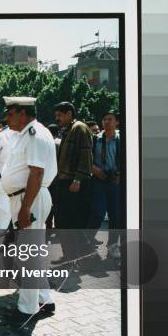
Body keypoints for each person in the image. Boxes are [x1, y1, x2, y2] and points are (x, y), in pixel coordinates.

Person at [1, 96, 58, 320]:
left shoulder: (34, 134)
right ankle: (45, 298)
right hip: (26, 197)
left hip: (29, 199)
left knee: (28, 256)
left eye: (10, 113)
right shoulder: (25, 134)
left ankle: (27, 309)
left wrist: (25, 209)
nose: (7, 118)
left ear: (22, 113)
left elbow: (37, 173)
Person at [54, 101, 93, 260]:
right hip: (64, 182)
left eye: (60, 115)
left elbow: (85, 155)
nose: (57, 118)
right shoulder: (68, 130)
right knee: (63, 221)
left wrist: (77, 179)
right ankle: (70, 255)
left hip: (73, 183)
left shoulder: (79, 128)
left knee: (72, 222)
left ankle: (83, 255)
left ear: (69, 113)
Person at [88, 110, 122, 258]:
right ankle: (87, 244)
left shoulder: (121, 139)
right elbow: (86, 158)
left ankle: (112, 245)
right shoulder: (95, 139)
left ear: (117, 122)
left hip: (114, 180)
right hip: (99, 179)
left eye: (110, 119)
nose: (106, 122)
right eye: (104, 119)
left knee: (116, 215)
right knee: (97, 213)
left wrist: (120, 173)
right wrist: (94, 169)